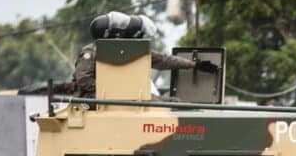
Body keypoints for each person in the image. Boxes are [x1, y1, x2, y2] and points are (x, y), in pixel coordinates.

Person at [73, 11, 220, 99]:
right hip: (94, 101)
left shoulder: (126, 50)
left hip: (122, 98)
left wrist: (193, 64)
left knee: (174, 103)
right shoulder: (91, 52)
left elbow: (162, 60)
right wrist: (116, 91)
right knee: (171, 105)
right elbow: (84, 80)